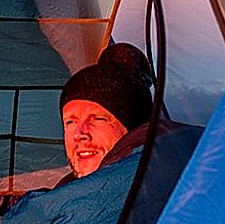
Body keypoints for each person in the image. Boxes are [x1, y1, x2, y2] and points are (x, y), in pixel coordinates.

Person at [58, 42, 155, 179]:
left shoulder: (161, 185)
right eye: (70, 122)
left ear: (133, 130)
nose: (78, 134)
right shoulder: (62, 193)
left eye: (98, 119)